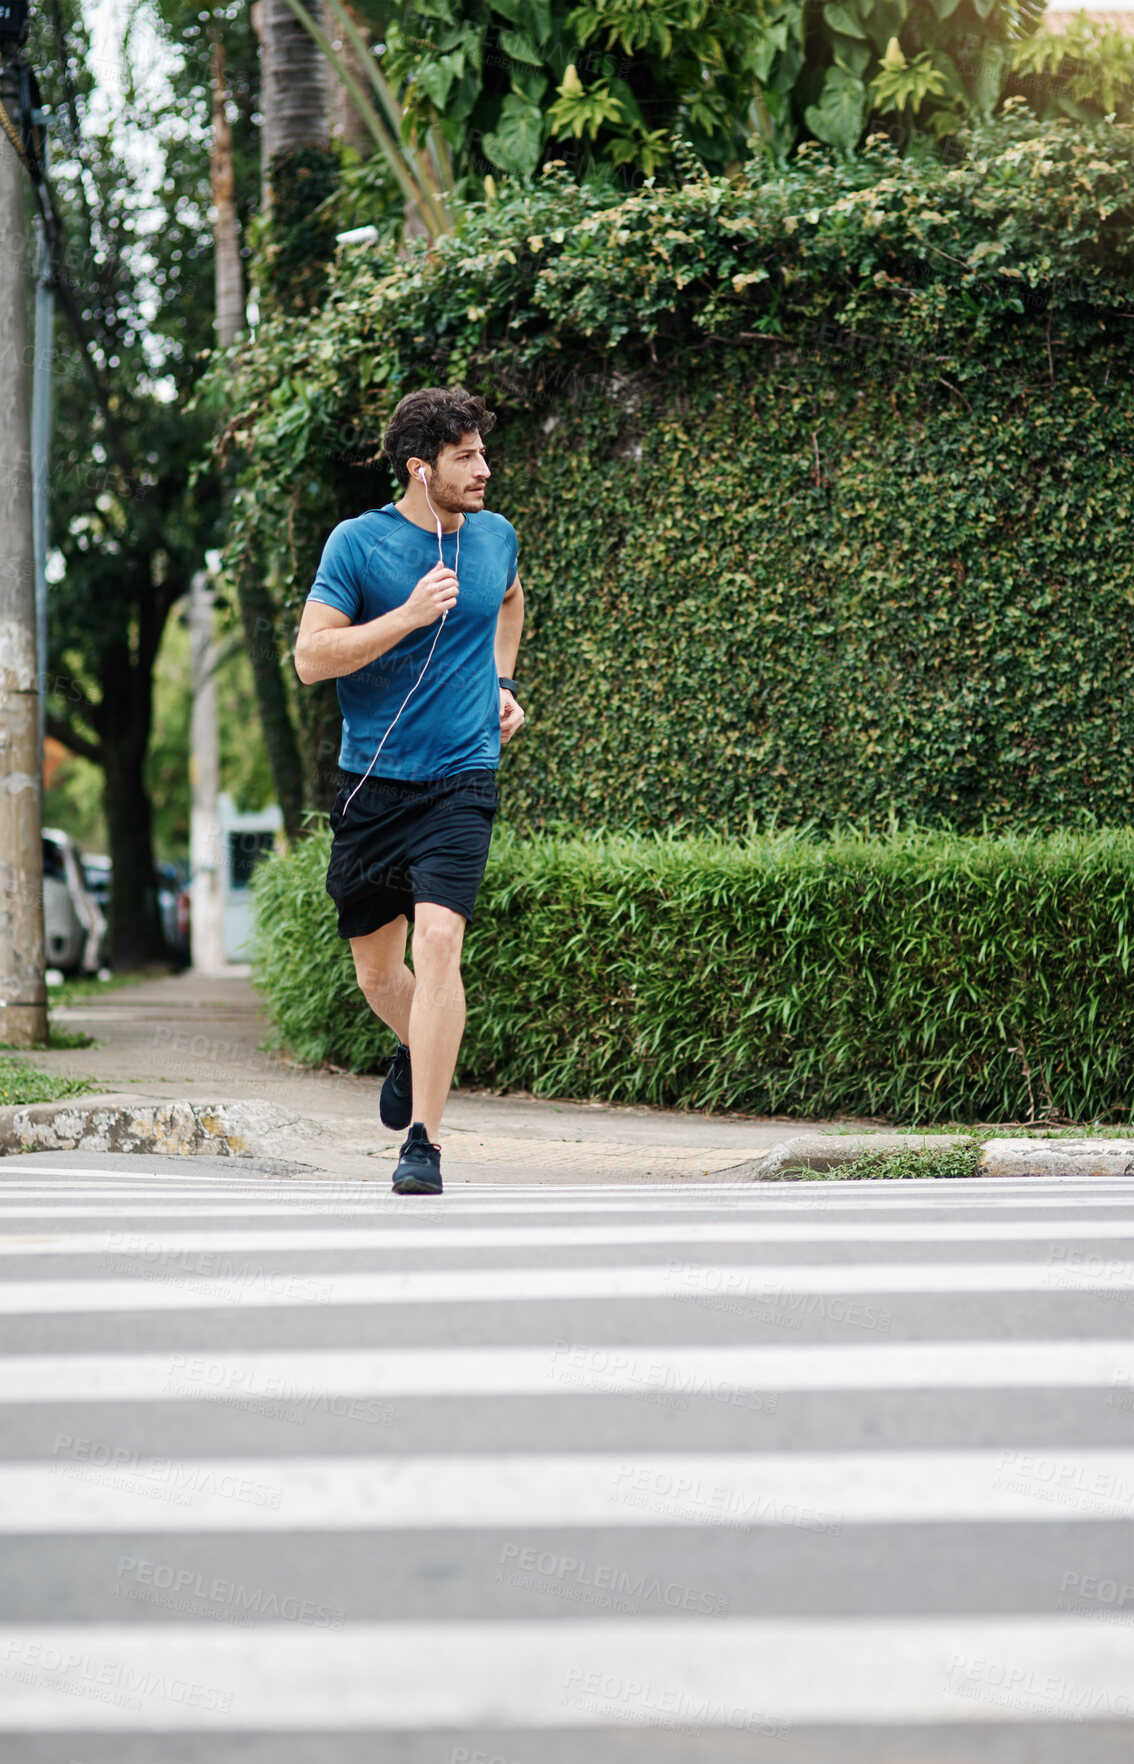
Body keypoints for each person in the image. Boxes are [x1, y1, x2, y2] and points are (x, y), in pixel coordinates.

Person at [294, 386, 525, 1195]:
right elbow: (311, 659)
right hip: (372, 788)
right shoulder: (358, 545)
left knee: (439, 947)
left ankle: (422, 1143)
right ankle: (414, 1042)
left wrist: (503, 681)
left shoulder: (496, 538)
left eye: (484, 453)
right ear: (421, 469)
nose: (485, 469)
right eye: (467, 456)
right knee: (379, 976)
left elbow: (509, 600)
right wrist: (406, 617)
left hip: (462, 779)